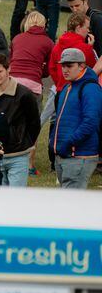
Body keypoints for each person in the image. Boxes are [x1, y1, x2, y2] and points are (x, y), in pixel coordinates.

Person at [50, 47, 102, 188]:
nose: (65, 70)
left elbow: (90, 122)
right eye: (63, 66)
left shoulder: (90, 88)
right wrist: (53, 142)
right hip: (64, 155)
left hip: (79, 156)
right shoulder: (68, 88)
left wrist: (69, 143)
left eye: (69, 66)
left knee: (71, 206)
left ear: (82, 66)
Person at [0, 53, 42, 186]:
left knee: (16, 200)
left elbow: (34, 122)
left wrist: (23, 141)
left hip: (18, 155)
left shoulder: (24, 94)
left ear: (8, 69)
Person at [9, 10, 54, 96]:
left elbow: (10, 61)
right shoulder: (48, 42)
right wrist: (41, 71)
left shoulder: (17, 38)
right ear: (43, 24)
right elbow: (49, 67)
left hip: (12, 81)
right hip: (33, 82)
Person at [49, 13, 98, 92]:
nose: (88, 31)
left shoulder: (57, 46)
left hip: (60, 90)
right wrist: (90, 48)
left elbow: (52, 69)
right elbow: (93, 70)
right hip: (78, 91)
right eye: (87, 27)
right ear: (78, 28)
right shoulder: (85, 48)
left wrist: (60, 84)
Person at [65, 0, 102, 67]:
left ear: (85, 1)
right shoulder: (73, 19)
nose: (74, 10)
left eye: (77, 5)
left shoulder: (97, 19)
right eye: (71, 7)